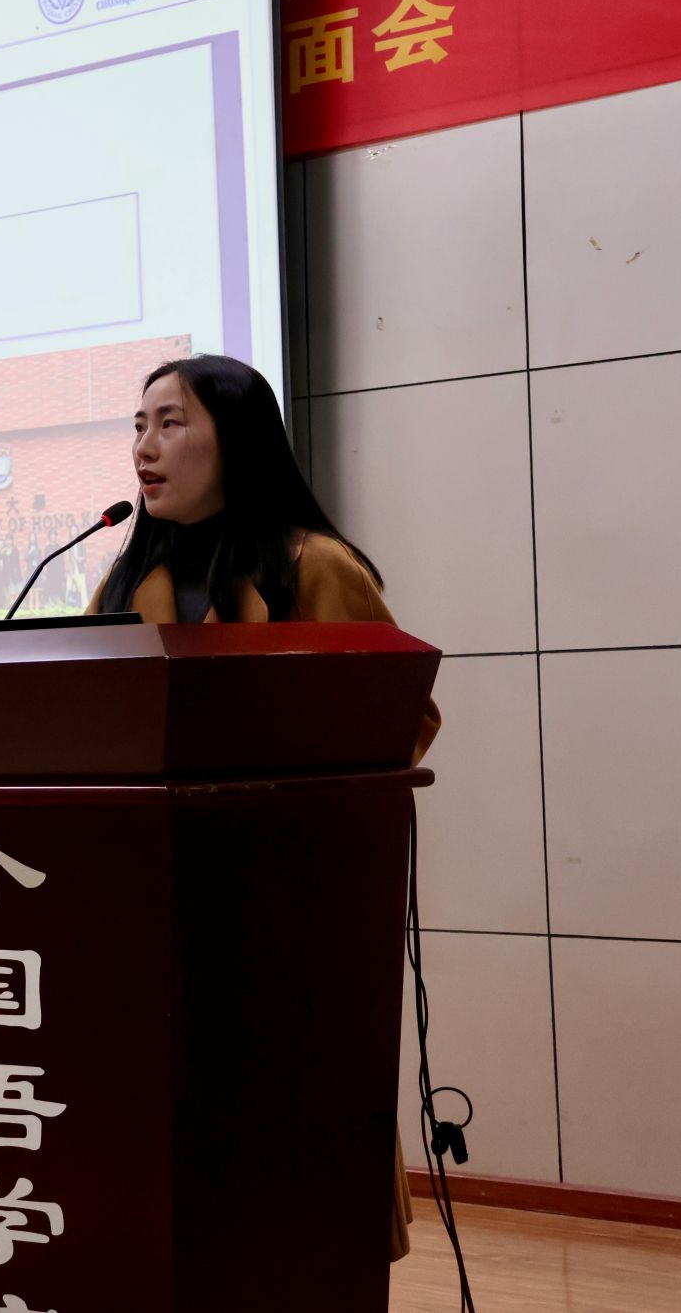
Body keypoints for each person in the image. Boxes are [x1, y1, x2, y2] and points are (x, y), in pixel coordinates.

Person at [89, 352, 439, 1264]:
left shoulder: (314, 568)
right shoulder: (124, 584)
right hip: (158, 920)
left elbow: (402, 717)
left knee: (297, 1187)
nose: (144, 447)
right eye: (138, 425)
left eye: (171, 422)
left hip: (287, 917)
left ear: (237, 439)